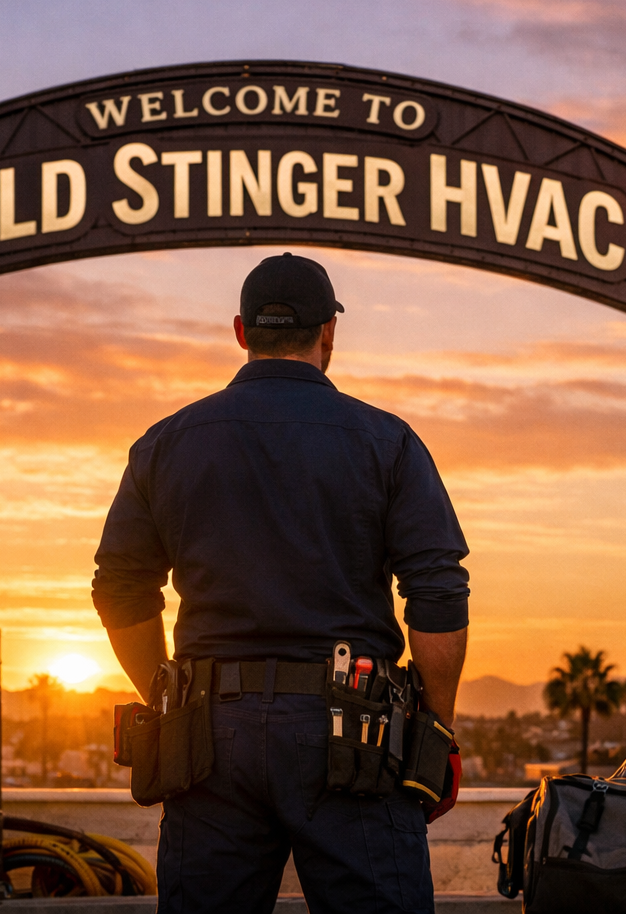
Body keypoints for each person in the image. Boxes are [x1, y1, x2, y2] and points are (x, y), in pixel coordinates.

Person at [91, 252, 470, 914]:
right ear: (329, 333)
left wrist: (166, 694)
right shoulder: (388, 442)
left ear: (241, 332)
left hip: (208, 738)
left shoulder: (166, 443)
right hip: (356, 738)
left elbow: (119, 587)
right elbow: (437, 593)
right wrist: (435, 730)